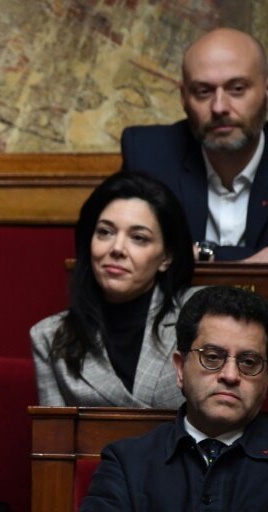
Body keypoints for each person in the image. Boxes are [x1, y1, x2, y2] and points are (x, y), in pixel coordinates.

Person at [81, 286, 268, 511]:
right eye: (211, 357)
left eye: (248, 362)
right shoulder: (127, 463)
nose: (230, 375)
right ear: (180, 369)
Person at [31, 172, 195, 407]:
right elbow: (56, 437)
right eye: (105, 232)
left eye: (138, 238)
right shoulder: (49, 336)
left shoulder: (198, 315)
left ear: (166, 257)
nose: (117, 248)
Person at [121, 27, 268, 262]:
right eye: (203, 91)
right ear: (183, 98)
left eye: (237, 89)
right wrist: (241, 260)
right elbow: (115, 247)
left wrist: (190, 256)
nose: (219, 107)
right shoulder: (149, 155)